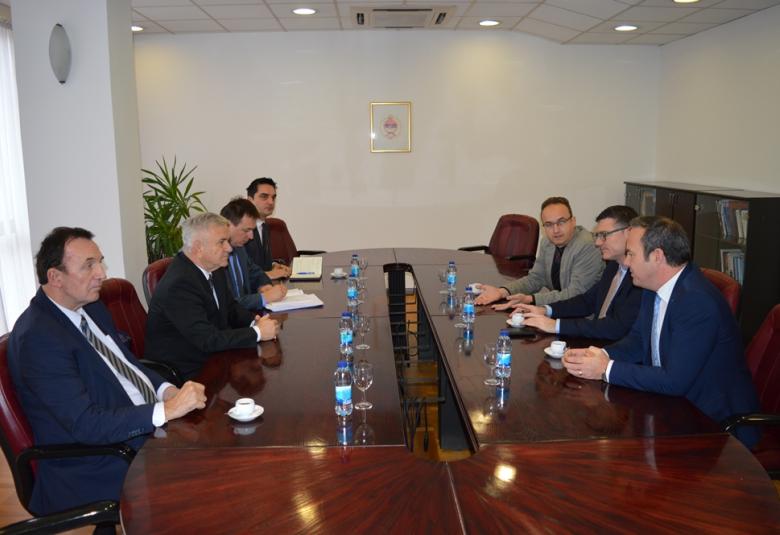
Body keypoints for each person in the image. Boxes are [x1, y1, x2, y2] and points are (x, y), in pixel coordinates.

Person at [7, 227, 207, 516]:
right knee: (207, 483)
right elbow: (86, 424)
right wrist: (165, 411)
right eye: (89, 265)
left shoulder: (91, 308)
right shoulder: (38, 338)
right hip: (96, 462)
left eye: (100, 262)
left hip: (134, 430)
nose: (101, 273)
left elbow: (129, 365)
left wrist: (167, 391)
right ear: (55, 277)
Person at [562, 216, 759, 436]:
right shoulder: (652, 286)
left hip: (711, 423)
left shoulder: (697, 301)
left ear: (657, 256)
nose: (625, 263)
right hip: (670, 404)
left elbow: (675, 381)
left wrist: (605, 369)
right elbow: (638, 341)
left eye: (631, 254)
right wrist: (599, 355)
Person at [145, 213, 280, 380]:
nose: (229, 248)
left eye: (228, 241)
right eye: (221, 242)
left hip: (215, 357)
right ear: (198, 248)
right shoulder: (179, 285)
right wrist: (257, 333)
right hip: (189, 372)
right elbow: (207, 339)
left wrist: (254, 321)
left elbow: (230, 308)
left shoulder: (214, 268)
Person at [501, 205, 642, 341]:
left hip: (615, 348)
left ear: (628, 232)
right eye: (598, 235)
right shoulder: (614, 266)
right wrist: (546, 310)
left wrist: (556, 325)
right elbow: (586, 301)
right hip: (598, 339)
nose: (598, 243)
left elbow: (616, 327)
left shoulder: (640, 277)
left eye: (604, 235)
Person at [475, 197, 604, 307]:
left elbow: (576, 294)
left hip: (584, 317)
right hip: (558, 309)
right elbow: (535, 279)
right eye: (549, 224)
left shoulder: (588, 246)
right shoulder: (547, 243)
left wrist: (531, 299)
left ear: (573, 221)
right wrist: (502, 292)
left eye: (561, 222)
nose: (556, 230)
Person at [220, 198, 287, 311]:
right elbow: (228, 305)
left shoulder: (239, 248)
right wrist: (264, 297)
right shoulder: (215, 258)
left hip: (248, 315)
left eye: (252, 230)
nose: (251, 236)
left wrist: (264, 286)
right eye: (246, 230)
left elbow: (255, 272)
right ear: (228, 225)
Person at [245, 177, 291, 280]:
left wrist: (274, 265)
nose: (271, 202)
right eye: (264, 197)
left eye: (273, 197)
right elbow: (244, 271)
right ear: (250, 200)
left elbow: (259, 263)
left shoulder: (264, 226)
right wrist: (270, 274)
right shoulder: (243, 231)